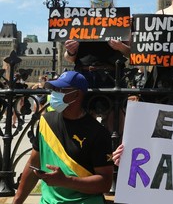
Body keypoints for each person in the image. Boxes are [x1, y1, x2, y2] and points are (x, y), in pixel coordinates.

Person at [12, 71, 113, 204]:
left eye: (61, 89)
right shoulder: (46, 121)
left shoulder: (98, 133)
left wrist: (66, 181)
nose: (54, 93)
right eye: (54, 89)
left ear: (76, 94)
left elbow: (105, 183)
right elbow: (33, 164)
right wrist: (16, 202)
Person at [64, 0, 130, 88]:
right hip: (83, 77)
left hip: (112, 78)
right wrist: (70, 51)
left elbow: (132, 53)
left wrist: (120, 47)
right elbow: (69, 58)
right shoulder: (78, 19)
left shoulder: (121, 20)